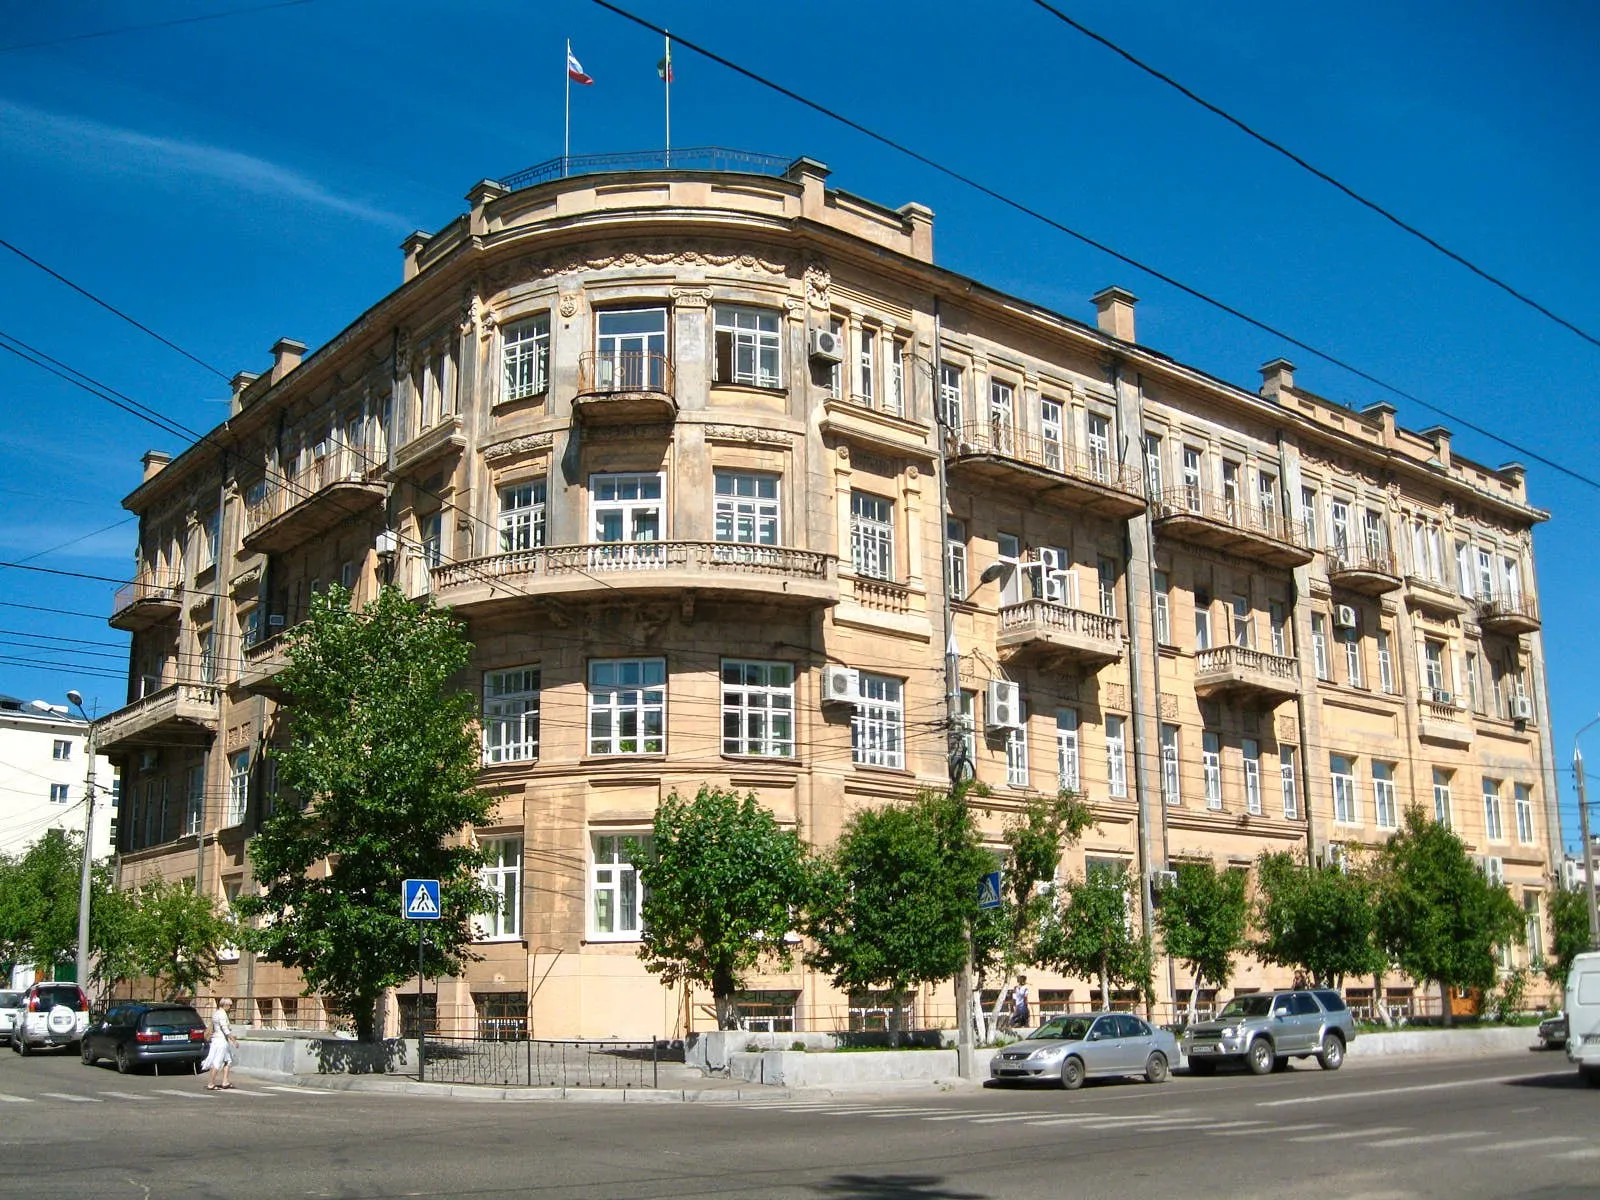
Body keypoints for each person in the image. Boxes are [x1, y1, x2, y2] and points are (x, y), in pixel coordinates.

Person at [202, 998, 238, 1091]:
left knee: (228, 1060)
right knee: (217, 1062)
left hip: (218, 1040)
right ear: (225, 1005)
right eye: (230, 1005)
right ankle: (211, 1083)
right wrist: (233, 1040)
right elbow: (224, 1028)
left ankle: (225, 1081)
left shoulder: (217, 1013)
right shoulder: (222, 1014)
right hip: (221, 1041)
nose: (230, 1007)